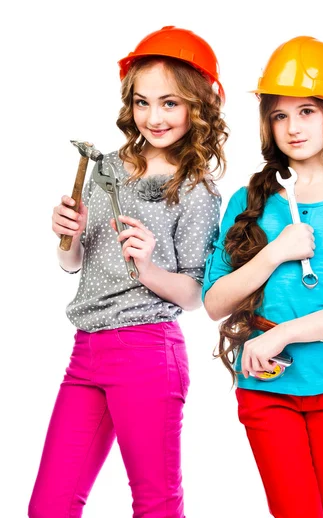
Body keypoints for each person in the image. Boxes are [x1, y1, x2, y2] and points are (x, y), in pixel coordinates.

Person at [29, 26, 228, 518]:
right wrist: (68, 235)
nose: (153, 117)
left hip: (146, 351)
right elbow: (74, 264)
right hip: (86, 351)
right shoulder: (105, 169)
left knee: (155, 506)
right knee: (49, 507)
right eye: (142, 102)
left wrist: (147, 264)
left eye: (170, 103)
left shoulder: (196, 191)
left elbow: (193, 295)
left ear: (197, 107)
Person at [202, 36, 323, 518]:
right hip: (266, 391)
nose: (292, 127)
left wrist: (283, 333)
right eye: (279, 115)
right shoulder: (248, 201)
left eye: (307, 111)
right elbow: (214, 302)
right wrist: (274, 254)